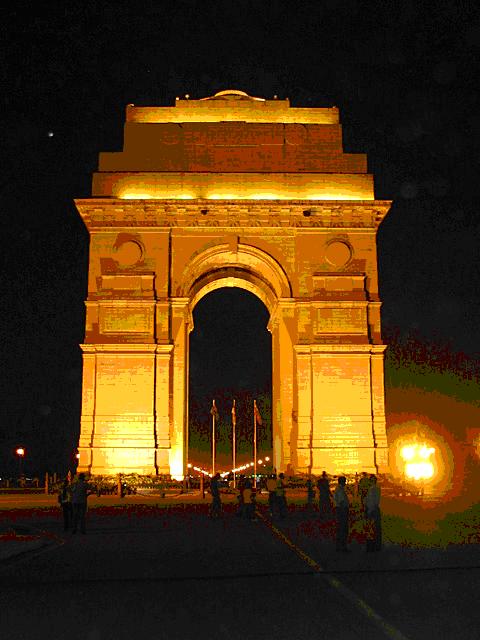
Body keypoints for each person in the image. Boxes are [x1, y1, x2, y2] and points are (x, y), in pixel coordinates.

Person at [365, 474, 382, 552]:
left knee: (372, 529)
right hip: (373, 510)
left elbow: (373, 501)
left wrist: (369, 511)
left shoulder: (373, 489)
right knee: (374, 529)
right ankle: (375, 545)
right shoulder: (374, 489)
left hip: (372, 510)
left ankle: (373, 546)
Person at [333, 476, 350, 552]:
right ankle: (342, 547)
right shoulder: (340, 490)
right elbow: (341, 502)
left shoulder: (339, 489)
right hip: (342, 511)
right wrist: (345, 511)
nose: (345, 483)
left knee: (341, 529)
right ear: (342, 482)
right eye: (344, 481)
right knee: (343, 529)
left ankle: (340, 546)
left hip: (341, 510)